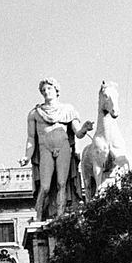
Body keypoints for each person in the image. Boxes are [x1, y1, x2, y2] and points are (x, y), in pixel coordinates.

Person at [21, 78, 93, 220]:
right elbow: (31, 139)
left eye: (49, 88)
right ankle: (39, 214)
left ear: (56, 90)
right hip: (44, 149)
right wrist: (27, 156)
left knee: (62, 183)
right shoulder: (35, 113)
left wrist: (84, 128)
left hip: (63, 147)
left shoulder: (68, 109)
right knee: (45, 186)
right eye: (43, 90)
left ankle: (60, 215)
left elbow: (77, 133)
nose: (46, 92)